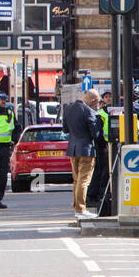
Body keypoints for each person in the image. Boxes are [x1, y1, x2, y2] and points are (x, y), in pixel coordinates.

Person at [63, 89, 100, 219]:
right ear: (92, 100)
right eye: (97, 102)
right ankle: (80, 209)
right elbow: (95, 134)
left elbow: (65, 129)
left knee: (76, 180)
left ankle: (77, 207)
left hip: (73, 149)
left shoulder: (68, 109)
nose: (97, 105)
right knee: (84, 180)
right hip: (86, 150)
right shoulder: (89, 111)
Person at [88, 92, 113, 215]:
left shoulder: (117, 110)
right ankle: (100, 195)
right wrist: (103, 145)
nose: (109, 99)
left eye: (110, 97)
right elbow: (98, 131)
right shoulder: (101, 112)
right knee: (102, 173)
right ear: (103, 99)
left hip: (114, 145)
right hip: (104, 147)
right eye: (106, 97)